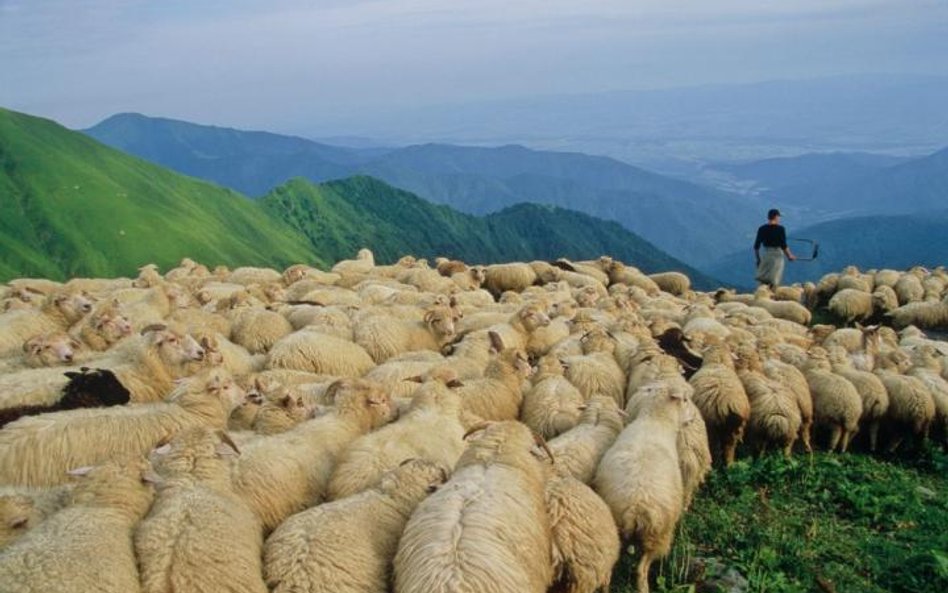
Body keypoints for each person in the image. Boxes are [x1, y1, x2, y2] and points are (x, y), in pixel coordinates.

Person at [754, 208, 795, 288]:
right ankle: (772, 295)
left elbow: (756, 246)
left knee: (763, 278)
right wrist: (790, 256)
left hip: (766, 254)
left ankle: (762, 295)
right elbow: (783, 245)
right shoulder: (781, 229)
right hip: (777, 255)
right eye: (778, 217)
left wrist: (758, 259)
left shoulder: (762, 228)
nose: (779, 218)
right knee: (774, 279)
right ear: (776, 217)